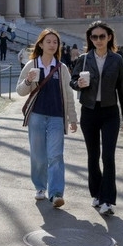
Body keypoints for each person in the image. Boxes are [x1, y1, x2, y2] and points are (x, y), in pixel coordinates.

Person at [70, 21, 123, 217]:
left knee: (108, 157)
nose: (98, 40)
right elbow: (73, 80)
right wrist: (78, 84)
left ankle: (108, 200)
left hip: (110, 112)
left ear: (109, 37)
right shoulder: (84, 59)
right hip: (89, 111)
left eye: (102, 36)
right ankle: (96, 193)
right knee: (93, 155)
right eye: (94, 37)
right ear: (90, 39)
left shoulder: (116, 60)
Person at [16, 28, 77, 208]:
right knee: (38, 155)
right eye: (48, 41)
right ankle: (40, 187)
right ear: (41, 44)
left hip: (57, 117)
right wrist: (28, 81)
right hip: (37, 116)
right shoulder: (32, 65)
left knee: (56, 155)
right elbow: (20, 91)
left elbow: (68, 94)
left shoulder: (61, 68)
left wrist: (73, 118)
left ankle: (56, 193)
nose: (52, 45)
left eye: (55, 42)